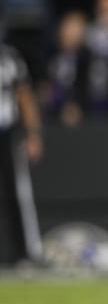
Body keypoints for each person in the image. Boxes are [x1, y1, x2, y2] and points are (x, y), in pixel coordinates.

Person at [0, 39, 43, 267]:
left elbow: (24, 95)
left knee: (19, 194)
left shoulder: (9, 57)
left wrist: (33, 132)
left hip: (7, 132)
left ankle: (27, 253)